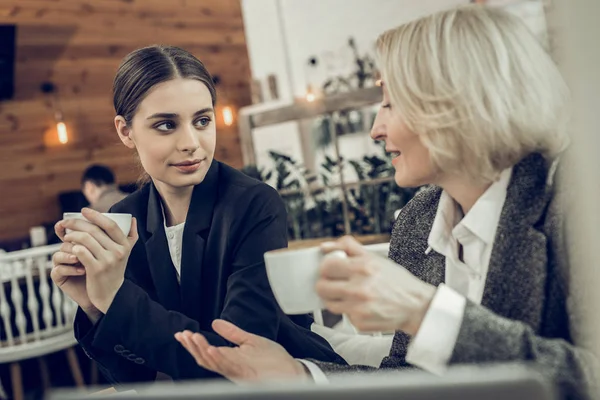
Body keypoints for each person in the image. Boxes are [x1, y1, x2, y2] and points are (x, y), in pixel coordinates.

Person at [175, 5, 596, 398]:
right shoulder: (419, 219)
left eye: (391, 103)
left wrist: (426, 312)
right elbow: (411, 377)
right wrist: (300, 375)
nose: (376, 129)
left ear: (459, 105)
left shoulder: (576, 206)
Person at [50, 45, 344, 386]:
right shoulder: (123, 218)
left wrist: (116, 299)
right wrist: (94, 307)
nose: (191, 142)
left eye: (202, 121)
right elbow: (136, 378)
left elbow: (236, 359)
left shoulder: (254, 204)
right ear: (125, 131)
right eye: (166, 125)